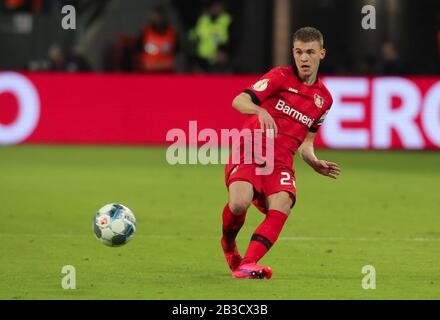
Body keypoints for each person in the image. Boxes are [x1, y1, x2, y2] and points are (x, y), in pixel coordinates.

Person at [221, 27, 341, 279]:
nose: (304, 58)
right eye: (298, 52)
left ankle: (247, 264)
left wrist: (313, 161)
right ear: (293, 53)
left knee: (283, 203)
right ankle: (230, 247)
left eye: (309, 52)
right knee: (239, 202)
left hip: (282, 159)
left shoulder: (324, 100)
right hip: (253, 147)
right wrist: (259, 110)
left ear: (322, 53)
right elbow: (238, 100)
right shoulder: (279, 77)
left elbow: (306, 141)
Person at [188, 1, 233, 72]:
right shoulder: (202, 18)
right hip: (199, 59)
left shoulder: (226, 20)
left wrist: (224, 53)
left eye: (218, 6)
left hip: (217, 63)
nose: (216, 8)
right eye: (215, 6)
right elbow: (191, 36)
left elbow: (232, 41)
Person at [137, 6, 177, 72]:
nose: (158, 18)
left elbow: (177, 48)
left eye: (160, 16)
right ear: (151, 17)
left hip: (167, 70)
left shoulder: (171, 32)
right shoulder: (145, 32)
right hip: (149, 70)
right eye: (156, 16)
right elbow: (138, 48)